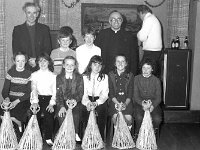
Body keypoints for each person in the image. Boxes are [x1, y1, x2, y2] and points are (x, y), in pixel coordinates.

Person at [95, 10, 139, 75]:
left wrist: (133, 74)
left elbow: (134, 58)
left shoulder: (129, 36)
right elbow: (96, 54)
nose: (116, 21)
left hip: (124, 73)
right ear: (110, 21)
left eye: (119, 19)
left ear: (122, 21)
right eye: (113, 19)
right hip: (105, 72)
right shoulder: (102, 34)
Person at [12, 2, 52, 72]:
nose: (31, 16)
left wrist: (37, 60)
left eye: (34, 13)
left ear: (37, 14)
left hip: (41, 65)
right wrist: (28, 61)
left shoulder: (44, 29)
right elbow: (16, 50)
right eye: (29, 13)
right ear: (25, 13)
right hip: (24, 65)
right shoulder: (17, 30)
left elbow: (47, 49)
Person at [1, 51, 31, 134]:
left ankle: (20, 129)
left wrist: (16, 101)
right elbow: (5, 90)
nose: (20, 63)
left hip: (23, 100)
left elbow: (29, 93)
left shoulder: (29, 74)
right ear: (14, 61)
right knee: (3, 114)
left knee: (14, 116)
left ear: (26, 61)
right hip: (10, 98)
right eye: (18, 61)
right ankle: (7, 134)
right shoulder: (10, 72)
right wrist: (6, 99)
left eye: (22, 61)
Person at [30, 53, 56, 146]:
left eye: (45, 61)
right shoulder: (34, 75)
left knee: (48, 115)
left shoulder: (53, 76)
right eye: (40, 61)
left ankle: (48, 137)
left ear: (49, 62)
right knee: (34, 114)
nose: (42, 63)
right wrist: (35, 102)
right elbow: (34, 89)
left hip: (49, 99)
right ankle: (37, 136)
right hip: (38, 97)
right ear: (37, 63)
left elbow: (55, 92)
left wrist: (52, 103)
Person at [56, 56, 83, 142]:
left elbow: (80, 92)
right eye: (67, 64)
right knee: (62, 114)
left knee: (75, 114)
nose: (69, 67)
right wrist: (61, 106)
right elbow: (58, 94)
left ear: (75, 66)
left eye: (72, 65)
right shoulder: (59, 77)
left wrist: (74, 100)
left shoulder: (79, 77)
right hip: (63, 101)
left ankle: (74, 133)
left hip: (75, 101)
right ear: (63, 65)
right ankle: (63, 134)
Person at [133, 58, 162, 138]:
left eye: (148, 68)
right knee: (139, 117)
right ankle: (138, 133)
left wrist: (152, 106)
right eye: (144, 68)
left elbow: (158, 98)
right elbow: (136, 96)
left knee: (157, 118)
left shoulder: (156, 80)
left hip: (153, 103)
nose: (145, 70)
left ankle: (152, 134)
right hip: (140, 103)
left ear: (152, 69)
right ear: (141, 68)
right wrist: (143, 104)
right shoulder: (136, 79)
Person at [82, 55, 109, 140]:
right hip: (87, 99)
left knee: (102, 110)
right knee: (85, 111)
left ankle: (99, 138)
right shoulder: (84, 77)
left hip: (99, 100)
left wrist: (97, 103)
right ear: (90, 65)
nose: (97, 67)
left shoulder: (105, 77)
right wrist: (88, 103)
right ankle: (88, 137)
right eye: (95, 64)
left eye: (99, 65)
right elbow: (83, 94)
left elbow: (105, 94)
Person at [108, 54, 134, 129]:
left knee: (128, 118)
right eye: (118, 61)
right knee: (116, 117)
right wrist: (117, 104)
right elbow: (111, 93)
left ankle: (127, 133)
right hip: (114, 101)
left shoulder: (130, 75)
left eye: (123, 61)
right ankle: (118, 133)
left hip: (127, 101)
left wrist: (125, 104)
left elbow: (130, 93)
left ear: (126, 63)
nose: (120, 63)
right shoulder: (111, 74)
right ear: (115, 63)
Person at [137, 5, 163, 76]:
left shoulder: (148, 19)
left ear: (141, 13)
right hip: (155, 51)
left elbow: (142, 37)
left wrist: (138, 34)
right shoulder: (153, 18)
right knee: (152, 73)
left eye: (139, 15)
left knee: (144, 72)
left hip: (151, 51)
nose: (140, 18)